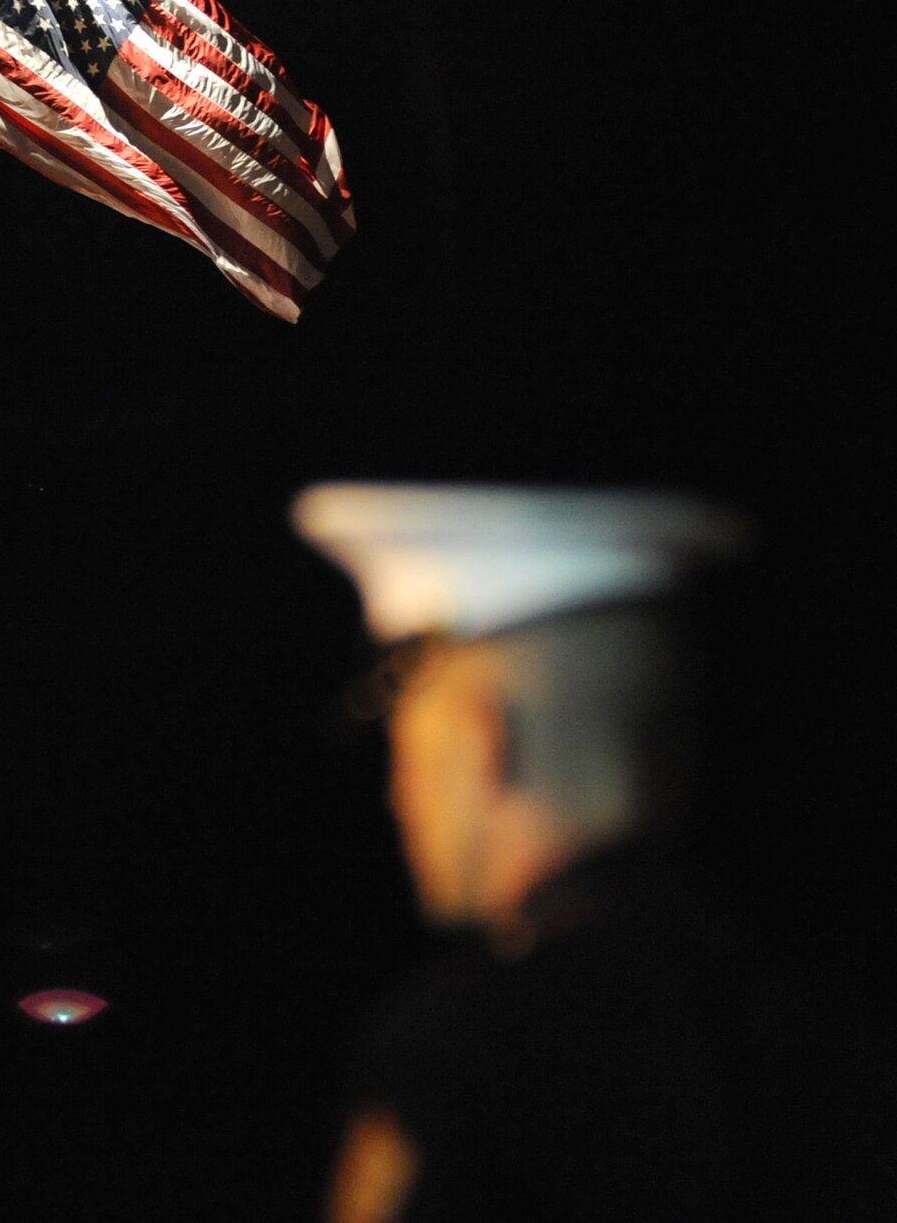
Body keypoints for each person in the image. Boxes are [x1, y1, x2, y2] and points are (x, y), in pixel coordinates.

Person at [293, 482, 888, 1223]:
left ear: (483, 743)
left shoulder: (470, 1053)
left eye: (405, 751)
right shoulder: (828, 1039)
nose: (395, 797)